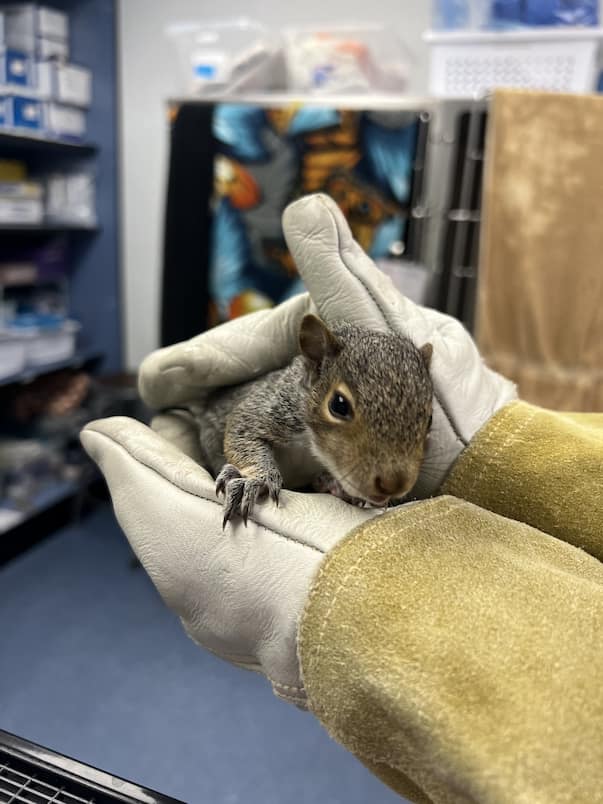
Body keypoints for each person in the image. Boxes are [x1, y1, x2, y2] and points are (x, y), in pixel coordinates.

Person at [81, 194, 603, 804]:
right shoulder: (288, 396)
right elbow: (243, 429)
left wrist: (497, 441)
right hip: (217, 436)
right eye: (343, 410)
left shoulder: (404, 422)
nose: (394, 474)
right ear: (314, 367)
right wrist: (252, 470)